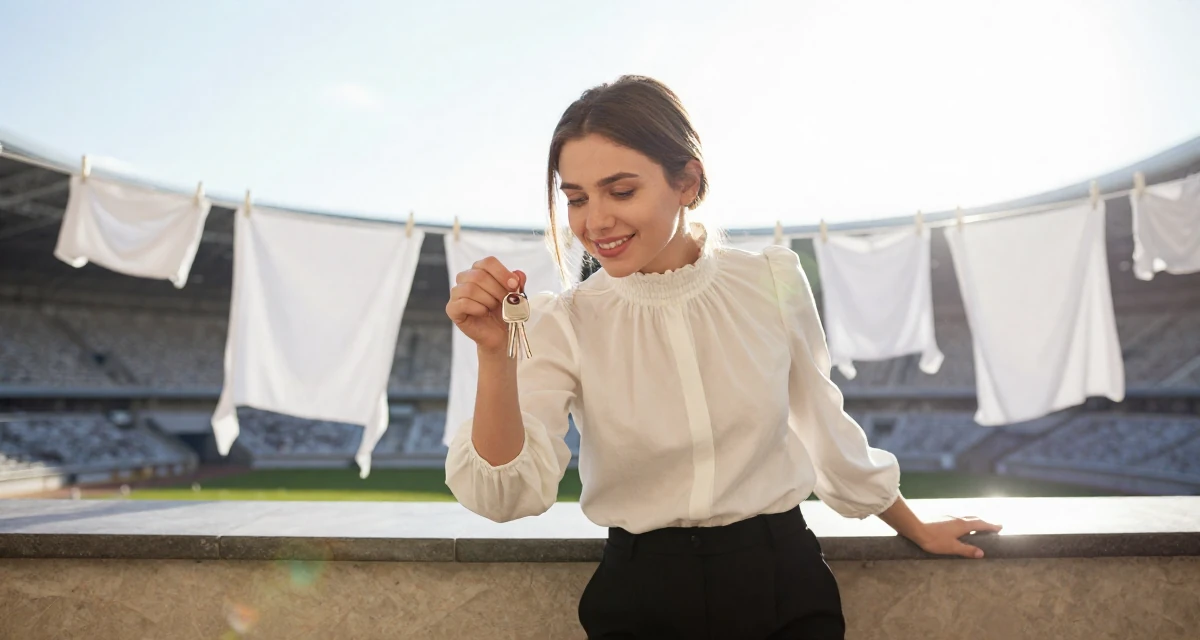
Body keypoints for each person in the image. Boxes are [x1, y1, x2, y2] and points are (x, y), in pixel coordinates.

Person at [444, 75, 1002, 639]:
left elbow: (822, 421)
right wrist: (495, 356)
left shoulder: (773, 279)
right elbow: (507, 495)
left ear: (688, 181)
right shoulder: (560, 320)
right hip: (641, 597)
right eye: (577, 198)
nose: (594, 222)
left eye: (621, 191)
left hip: (785, 580)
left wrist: (916, 526)